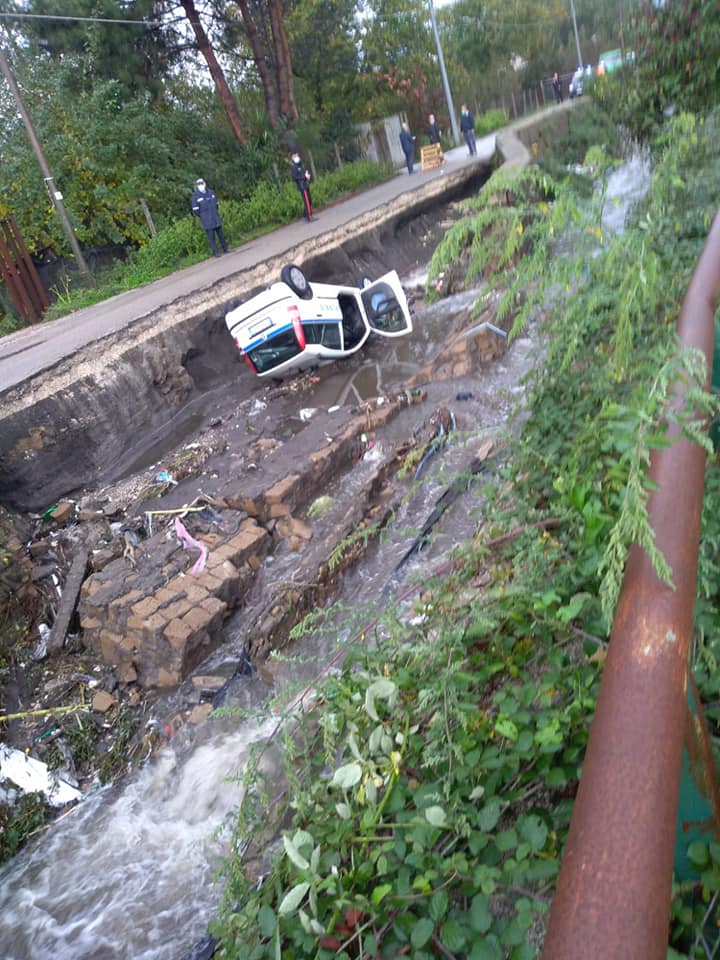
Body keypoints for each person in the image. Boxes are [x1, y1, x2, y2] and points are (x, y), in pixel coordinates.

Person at [191, 178, 228, 257]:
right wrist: (204, 216)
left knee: (221, 235)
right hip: (207, 220)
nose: (201, 185)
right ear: (197, 186)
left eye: (202, 183)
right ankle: (216, 252)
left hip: (215, 217)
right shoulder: (195, 197)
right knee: (211, 238)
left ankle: (226, 249)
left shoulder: (211, 192)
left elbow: (216, 204)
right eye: (199, 184)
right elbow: (196, 211)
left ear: (205, 184)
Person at [290, 149, 314, 222]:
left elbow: (305, 172)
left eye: (297, 155)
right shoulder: (294, 167)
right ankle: (309, 217)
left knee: (309, 200)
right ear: (292, 158)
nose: (296, 157)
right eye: (295, 156)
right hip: (302, 186)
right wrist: (304, 177)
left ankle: (304, 214)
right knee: (306, 201)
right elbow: (295, 177)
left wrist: (308, 176)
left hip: (306, 184)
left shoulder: (301, 165)